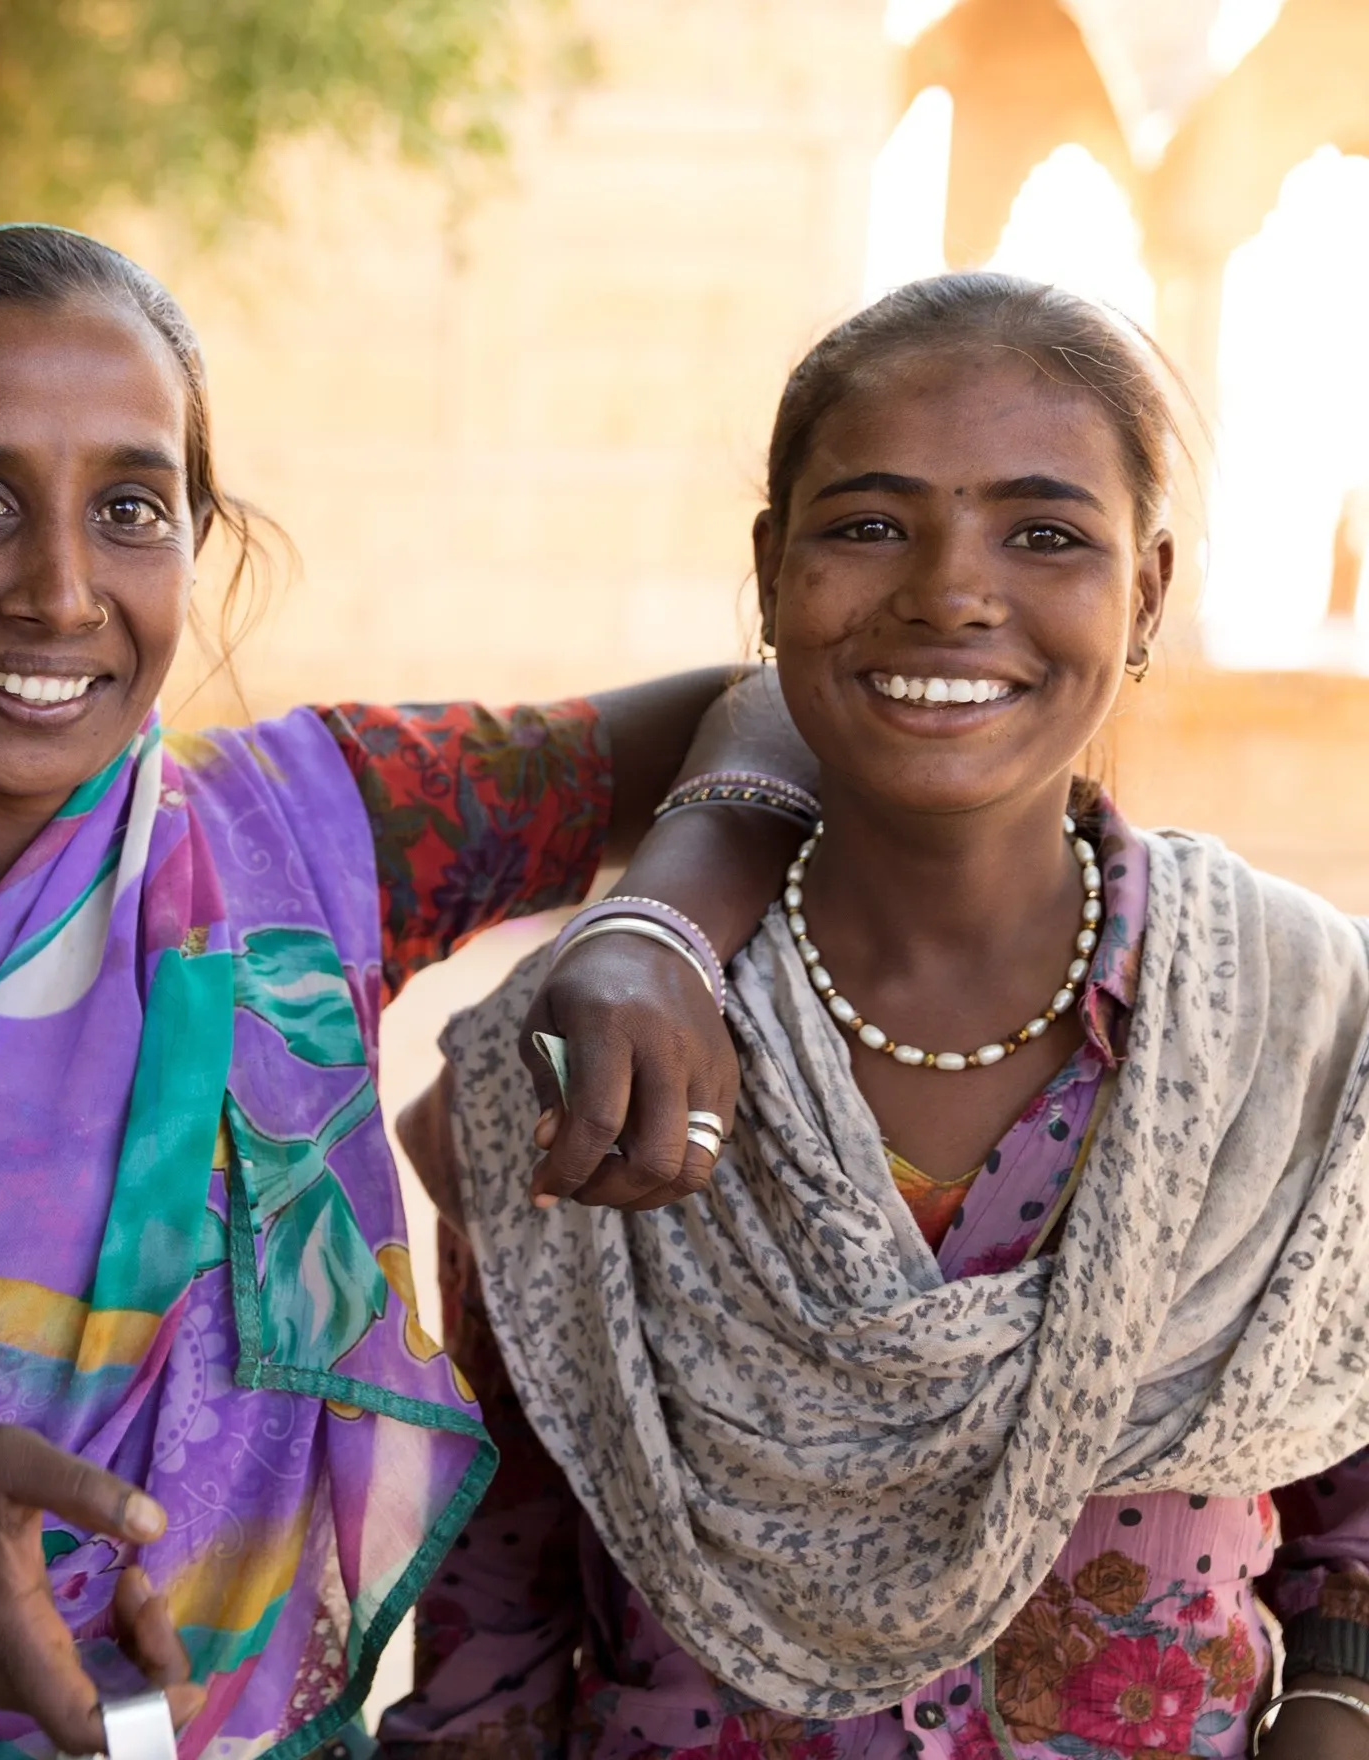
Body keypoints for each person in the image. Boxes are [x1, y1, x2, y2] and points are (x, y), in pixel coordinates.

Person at [0, 222, 828, 1760]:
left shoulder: (312, 836)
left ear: (198, 540)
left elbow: (774, 703)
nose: (61, 591)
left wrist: (655, 927)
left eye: (131, 506)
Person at [386, 273, 1369, 1760]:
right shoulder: (595, 1048)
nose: (950, 592)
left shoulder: (1301, 1032)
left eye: (1044, 534)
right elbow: (497, 1596)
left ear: (1148, 593)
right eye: (868, 525)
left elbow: (1351, 1517)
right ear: (774, 570)